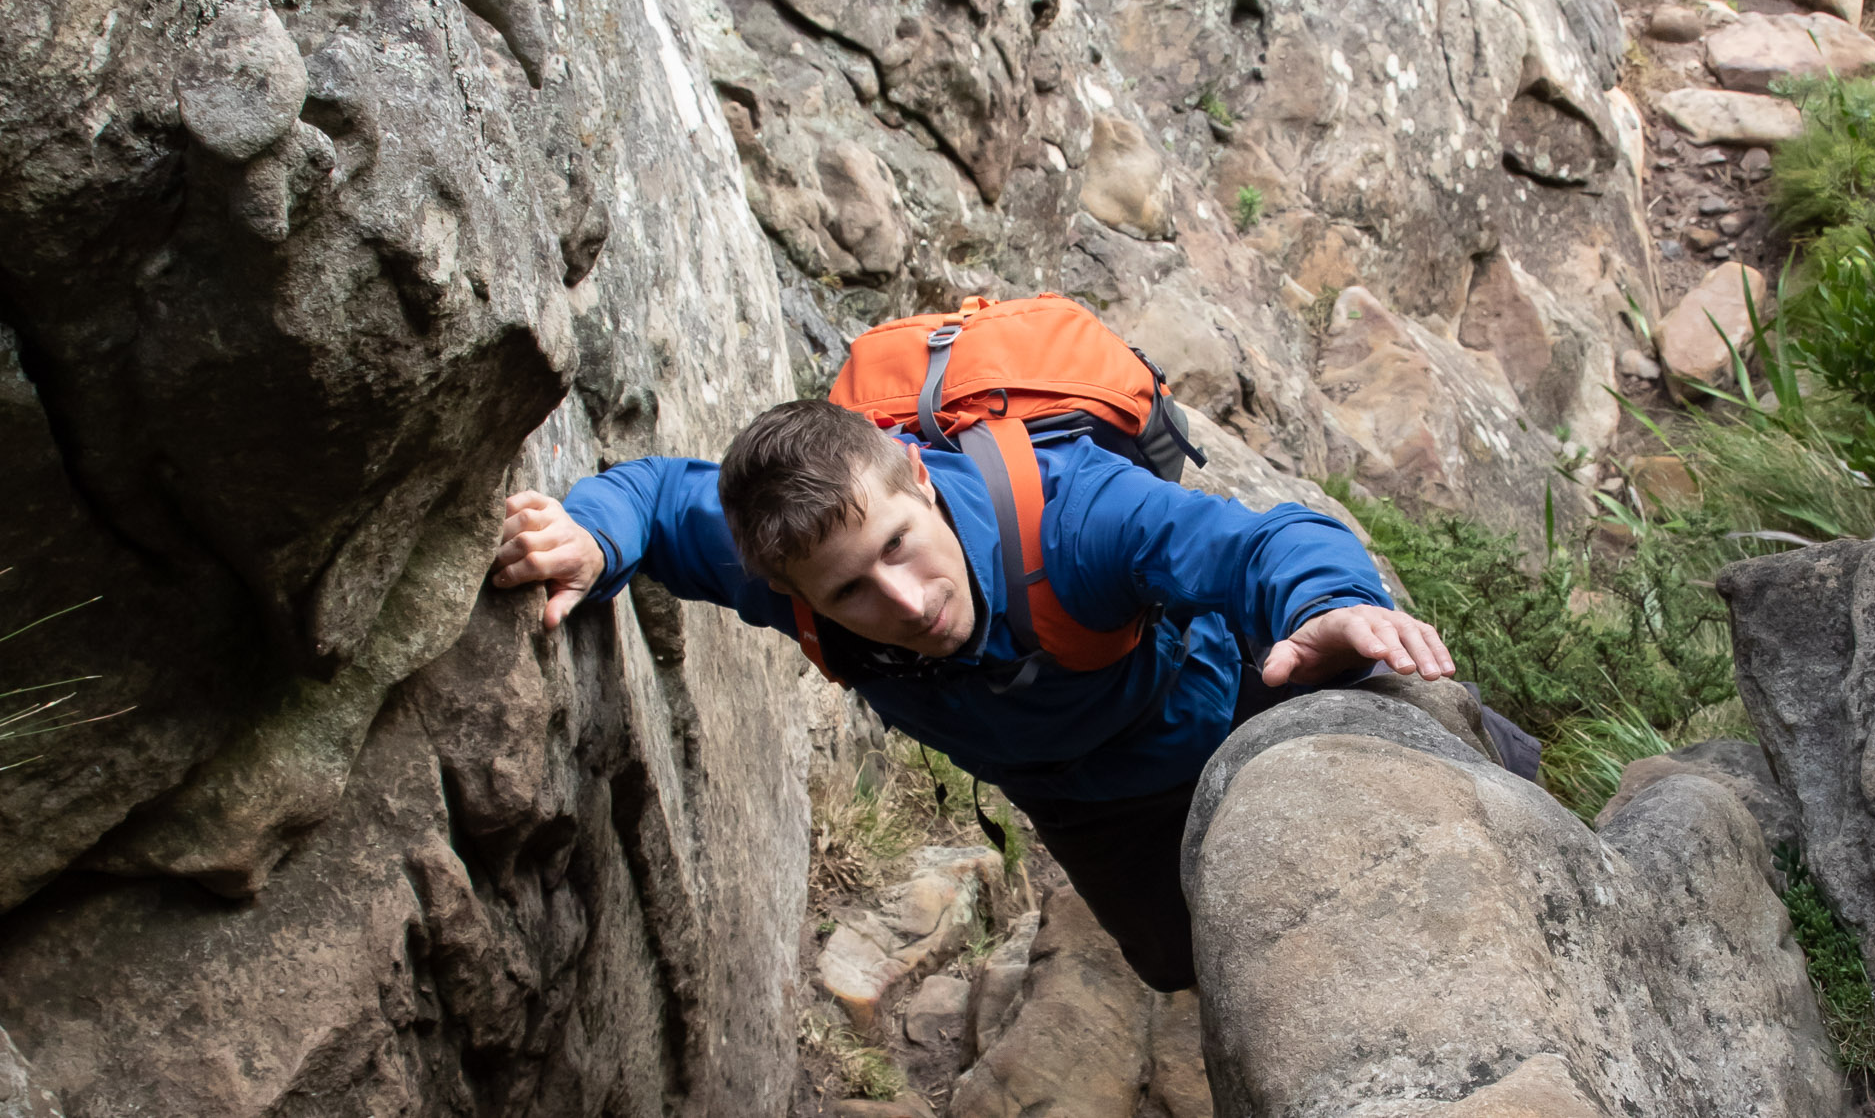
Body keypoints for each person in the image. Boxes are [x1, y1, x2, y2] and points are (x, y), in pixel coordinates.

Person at [493, 397, 1468, 991]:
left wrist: (1334, 603)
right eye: (850, 593)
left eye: (898, 548)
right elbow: (662, 494)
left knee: (1427, 741)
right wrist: (590, 538)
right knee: (1180, 964)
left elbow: (1260, 543)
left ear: (917, 480)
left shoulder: (1074, 518)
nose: (906, 602)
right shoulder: (786, 557)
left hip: (1232, 702)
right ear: (793, 590)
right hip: (1087, 799)